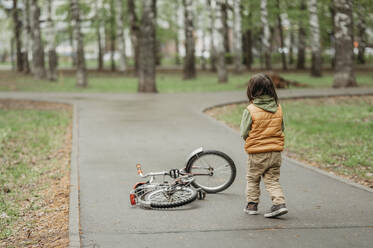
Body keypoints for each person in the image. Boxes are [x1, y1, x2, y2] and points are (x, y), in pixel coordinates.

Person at [240, 73, 288, 218]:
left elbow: (244, 132)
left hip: (257, 153)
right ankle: (279, 204)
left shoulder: (250, 109)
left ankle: (252, 205)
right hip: (275, 151)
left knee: (253, 178)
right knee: (272, 179)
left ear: (252, 90)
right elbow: (282, 128)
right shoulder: (278, 108)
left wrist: (252, 140)